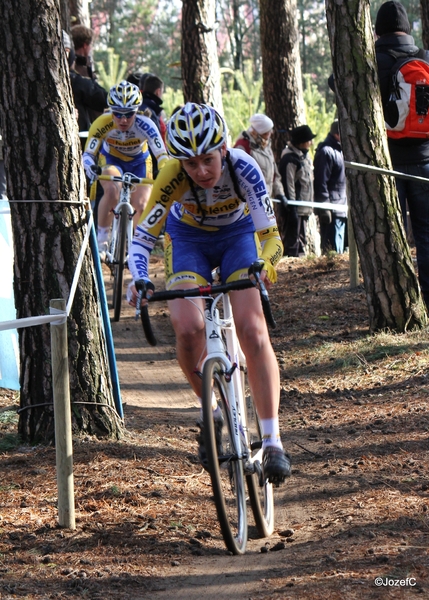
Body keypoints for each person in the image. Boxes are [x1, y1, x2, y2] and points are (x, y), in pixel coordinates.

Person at [128, 102, 291, 484]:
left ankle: (271, 441)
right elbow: (142, 239)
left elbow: (271, 238)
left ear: (222, 149)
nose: (201, 171)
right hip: (187, 241)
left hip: (238, 238)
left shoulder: (244, 166)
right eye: (190, 164)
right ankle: (212, 410)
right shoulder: (170, 175)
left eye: (207, 160)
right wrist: (139, 279)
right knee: (186, 327)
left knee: (252, 329)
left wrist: (265, 265)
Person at [375, 1, 429, 309]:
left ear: (378, 29)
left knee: (392, 233)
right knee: (425, 233)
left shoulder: (372, 61)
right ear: (407, 27)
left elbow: (336, 83)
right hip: (425, 158)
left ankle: (400, 302)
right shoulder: (426, 59)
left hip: (387, 164)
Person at [82, 80, 169, 255]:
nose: (123, 119)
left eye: (129, 114)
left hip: (140, 162)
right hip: (111, 160)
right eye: (117, 114)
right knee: (113, 190)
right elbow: (88, 155)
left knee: (141, 204)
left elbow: (162, 155)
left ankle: (137, 247)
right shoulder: (102, 123)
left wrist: (164, 169)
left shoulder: (146, 124)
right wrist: (90, 166)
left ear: (137, 111)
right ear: (110, 111)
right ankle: (102, 239)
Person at [277, 124, 316, 256]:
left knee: (302, 239)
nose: (310, 143)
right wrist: (292, 207)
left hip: (304, 206)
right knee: (292, 240)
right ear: (301, 142)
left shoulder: (304, 156)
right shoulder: (289, 159)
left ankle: (300, 257)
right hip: (294, 208)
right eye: (308, 140)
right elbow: (289, 185)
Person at [234, 113, 286, 202]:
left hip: (266, 199)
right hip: (249, 202)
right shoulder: (243, 147)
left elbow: (274, 174)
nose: (271, 133)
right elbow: (237, 176)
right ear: (259, 132)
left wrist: (280, 193)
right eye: (267, 132)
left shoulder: (266, 146)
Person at [313, 120, 347, 254]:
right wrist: (325, 207)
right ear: (337, 134)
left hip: (342, 206)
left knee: (341, 249)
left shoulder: (341, 151)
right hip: (332, 207)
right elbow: (321, 182)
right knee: (331, 250)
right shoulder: (326, 152)